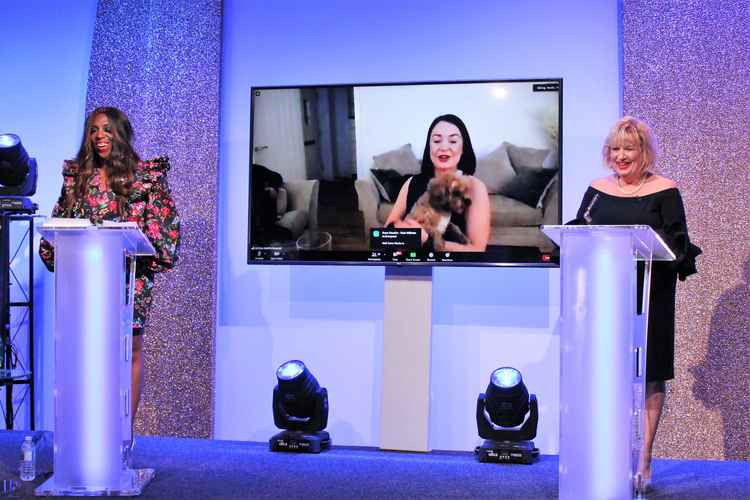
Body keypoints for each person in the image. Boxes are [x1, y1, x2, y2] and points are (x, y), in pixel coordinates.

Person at [574, 116, 701, 488]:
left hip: (652, 294)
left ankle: (645, 458)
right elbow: (580, 231)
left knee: (651, 373)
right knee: (607, 373)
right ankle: (611, 453)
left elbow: (678, 242)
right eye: (615, 149)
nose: (621, 156)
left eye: (629, 148)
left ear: (644, 152)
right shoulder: (597, 190)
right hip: (606, 295)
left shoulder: (664, 189)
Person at [39, 106, 181, 427]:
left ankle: (122, 432)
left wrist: (133, 238)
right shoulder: (78, 179)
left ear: (120, 133)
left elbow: (164, 230)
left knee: (128, 348)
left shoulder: (145, 178)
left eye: (106, 129)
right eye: (93, 130)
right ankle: (88, 430)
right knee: (88, 348)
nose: (99, 136)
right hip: (86, 277)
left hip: (129, 278)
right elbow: (61, 222)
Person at [384, 114, 490, 251]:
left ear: (463, 148)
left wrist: (427, 241)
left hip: (451, 268)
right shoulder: (412, 182)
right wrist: (402, 235)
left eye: (453, 141)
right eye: (436, 140)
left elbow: (477, 249)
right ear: (429, 147)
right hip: (409, 264)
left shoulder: (475, 187)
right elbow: (387, 234)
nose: (444, 147)